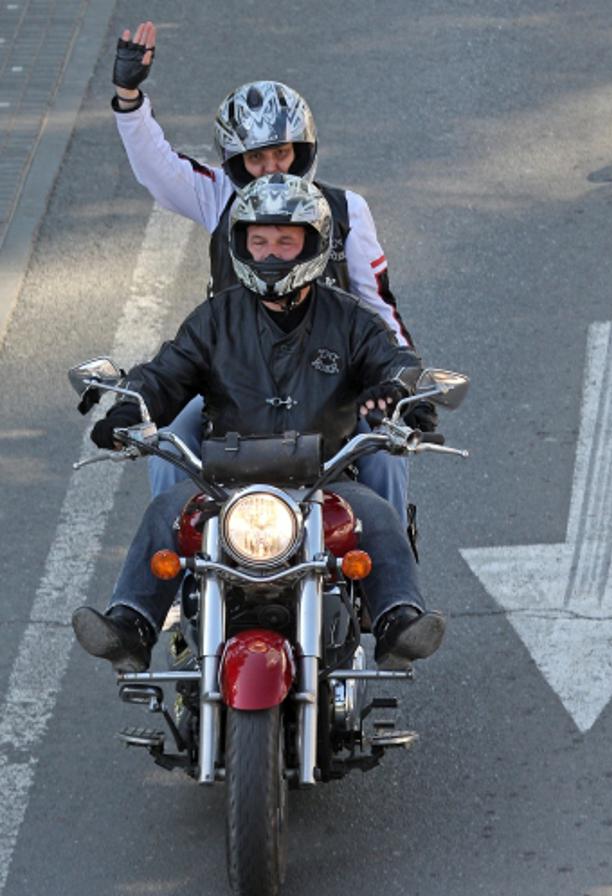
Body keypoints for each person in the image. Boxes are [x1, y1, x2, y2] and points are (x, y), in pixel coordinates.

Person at [72, 174, 445, 674]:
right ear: (241, 245)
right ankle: (131, 624)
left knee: (375, 514)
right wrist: (129, 408)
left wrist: (403, 393)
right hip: (223, 482)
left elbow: (393, 360)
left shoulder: (348, 318)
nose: (271, 253)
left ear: (313, 245)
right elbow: (166, 373)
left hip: (324, 480)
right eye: (259, 241)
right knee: (165, 511)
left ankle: (398, 619)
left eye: (286, 241)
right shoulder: (215, 318)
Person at [111, 21, 413, 520]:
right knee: (166, 448)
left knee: (385, 453)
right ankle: (177, 557)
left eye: (281, 153)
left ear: (302, 151)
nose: (272, 168)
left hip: (333, 386)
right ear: (235, 162)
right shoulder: (218, 199)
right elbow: (158, 168)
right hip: (234, 386)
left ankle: (392, 562)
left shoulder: (346, 210)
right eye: (256, 158)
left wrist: (404, 385)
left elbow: (379, 307)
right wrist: (129, 100)